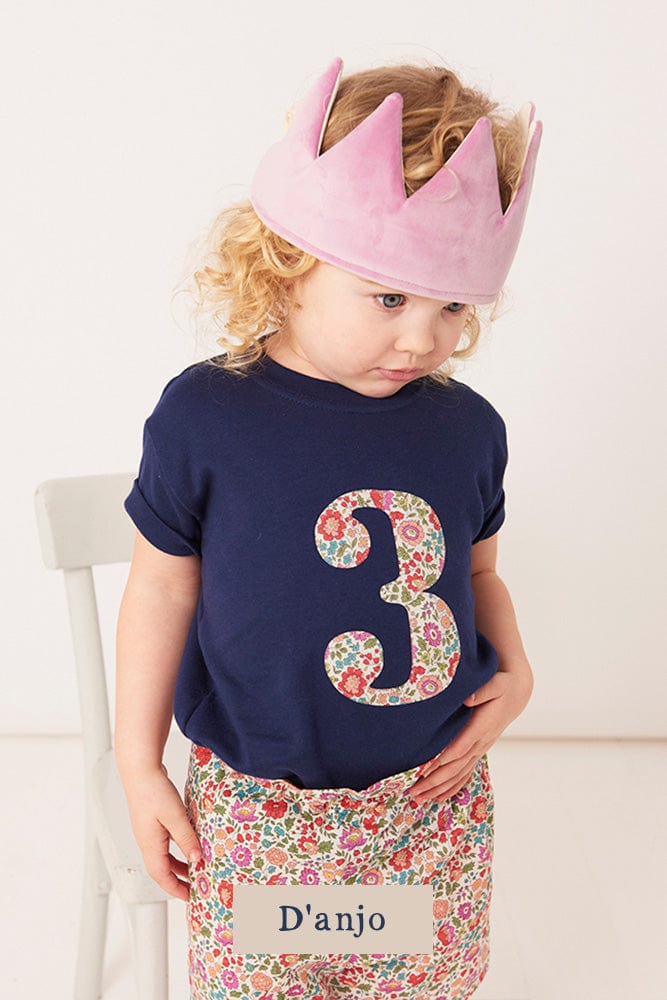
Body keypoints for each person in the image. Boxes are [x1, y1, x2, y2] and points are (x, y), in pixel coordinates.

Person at [115, 55, 541, 1000]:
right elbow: (161, 586)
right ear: (287, 261)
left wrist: (514, 672)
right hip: (261, 810)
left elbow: (473, 579)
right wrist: (138, 764)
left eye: (450, 308)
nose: (423, 339)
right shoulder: (206, 416)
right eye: (389, 297)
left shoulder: (466, 427)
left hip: (427, 809)